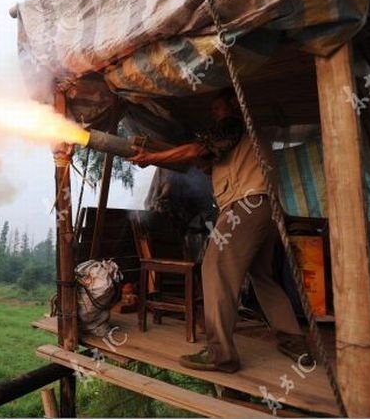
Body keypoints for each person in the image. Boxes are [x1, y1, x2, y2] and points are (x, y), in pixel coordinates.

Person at [129, 88, 313, 373]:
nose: (214, 114)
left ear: (234, 107)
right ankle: (293, 340)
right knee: (262, 275)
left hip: (246, 204)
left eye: (217, 109)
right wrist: (176, 158)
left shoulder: (233, 122)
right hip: (265, 208)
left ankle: (220, 354)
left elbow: (196, 149)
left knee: (214, 266)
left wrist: (152, 156)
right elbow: (204, 160)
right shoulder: (245, 135)